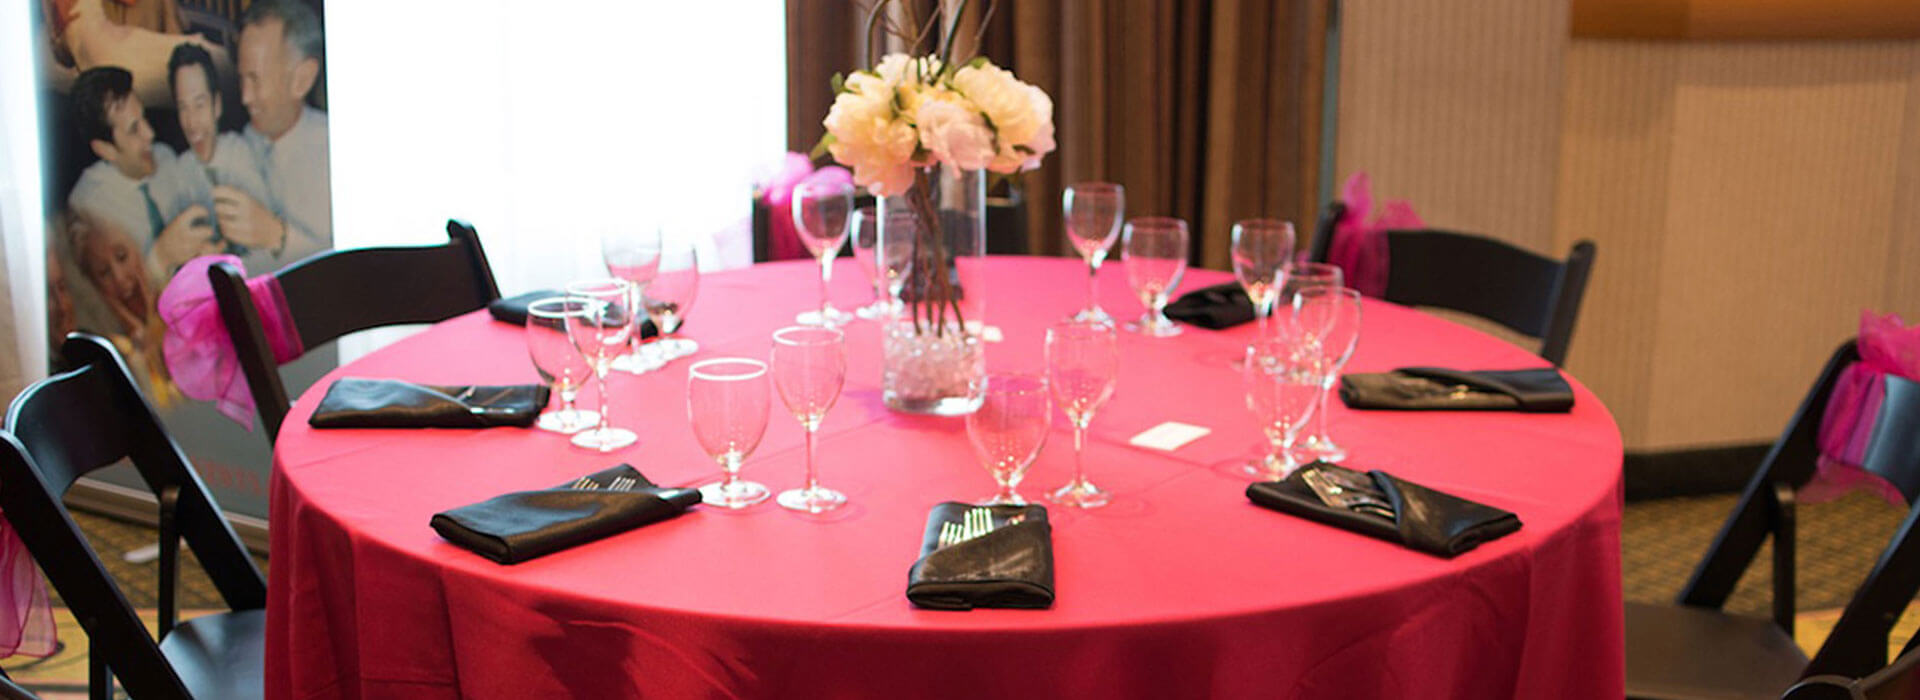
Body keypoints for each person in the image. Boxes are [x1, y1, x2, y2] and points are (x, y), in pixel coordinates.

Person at [66, 65, 219, 283]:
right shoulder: (87, 210)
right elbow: (114, 301)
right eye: (134, 129)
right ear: (105, 149)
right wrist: (160, 258)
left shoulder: (164, 157)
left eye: (144, 117)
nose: (150, 133)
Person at [218, 0, 330, 269]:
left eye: (255, 79)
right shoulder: (238, 146)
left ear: (302, 79)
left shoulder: (337, 153)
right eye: (242, 78)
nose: (245, 97)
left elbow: (356, 267)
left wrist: (277, 237)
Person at [168, 42, 270, 258]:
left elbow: (265, 246)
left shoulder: (242, 155)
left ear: (217, 106)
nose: (191, 122)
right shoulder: (179, 170)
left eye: (199, 104)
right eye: (183, 107)